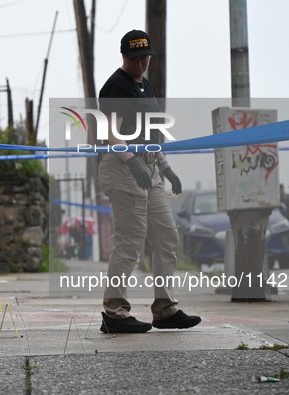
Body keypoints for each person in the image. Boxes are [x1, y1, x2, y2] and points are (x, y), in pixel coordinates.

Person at [97, 29, 201, 333]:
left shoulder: (145, 85)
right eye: (135, 58)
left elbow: (151, 132)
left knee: (167, 236)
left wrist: (166, 167)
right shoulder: (116, 86)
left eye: (145, 57)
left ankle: (165, 310)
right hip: (123, 168)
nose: (141, 63)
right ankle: (114, 314)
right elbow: (112, 133)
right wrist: (133, 163)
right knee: (130, 241)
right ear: (124, 57)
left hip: (150, 168)